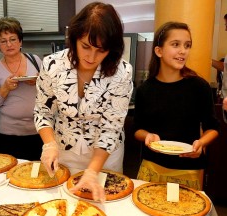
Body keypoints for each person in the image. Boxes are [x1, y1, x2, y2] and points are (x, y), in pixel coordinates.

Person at [34, 2, 133, 202]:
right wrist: (49, 145)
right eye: (85, 46)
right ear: (74, 38)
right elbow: (43, 111)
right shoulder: (52, 65)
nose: (91, 56)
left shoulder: (121, 72)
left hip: (105, 158)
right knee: (62, 212)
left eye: (101, 50)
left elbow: (111, 128)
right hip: (63, 152)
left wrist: (92, 171)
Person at [133, 21, 219, 190]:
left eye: (187, 46)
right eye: (175, 45)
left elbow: (213, 127)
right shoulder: (145, 89)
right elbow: (137, 129)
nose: (183, 51)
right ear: (159, 51)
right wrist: (147, 136)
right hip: (151, 168)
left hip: (187, 171)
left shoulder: (199, 86)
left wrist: (201, 143)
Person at [0, 17, 43, 160]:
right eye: (3, 41)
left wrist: (38, 82)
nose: (9, 44)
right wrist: (5, 88)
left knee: (38, 175)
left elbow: (52, 92)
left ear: (20, 41)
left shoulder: (35, 60)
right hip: (8, 134)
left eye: (13, 39)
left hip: (39, 130)